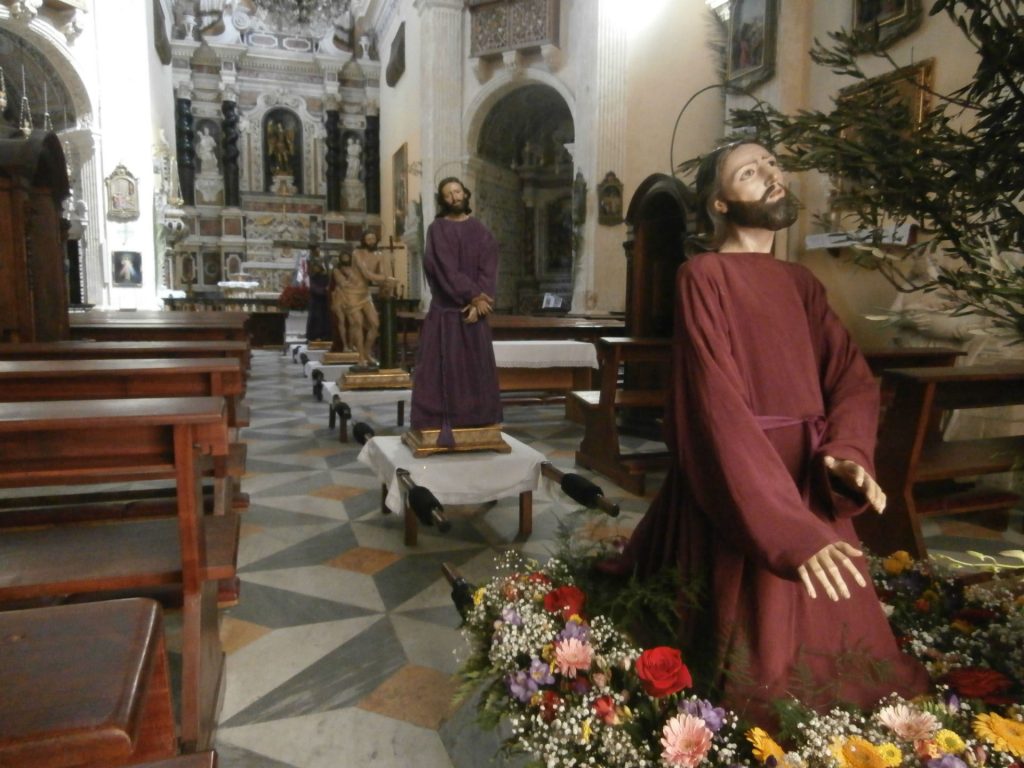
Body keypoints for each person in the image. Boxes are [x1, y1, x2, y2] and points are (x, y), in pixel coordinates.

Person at [604, 141, 929, 724]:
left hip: (809, 473)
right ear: (720, 204)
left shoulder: (801, 283)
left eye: (771, 166)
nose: (771, 176)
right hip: (742, 479)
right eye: (748, 173)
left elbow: (852, 378)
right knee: (759, 665)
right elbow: (714, 407)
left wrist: (847, 451)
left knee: (845, 660)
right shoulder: (703, 275)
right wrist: (785, 527)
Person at [410, 177, 502, 447]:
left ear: (466, 194)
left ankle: (477, 423)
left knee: (476, 372)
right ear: (443, 200)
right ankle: (439, 427)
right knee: (442, 373)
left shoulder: (482, 232)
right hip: (447, 315)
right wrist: (473, 296)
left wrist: (481, 300)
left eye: (458, 191)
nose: (454, 196)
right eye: (448, 194)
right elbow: (444, 268)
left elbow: (489, 267)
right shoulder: (437, 229)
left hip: (475, 316)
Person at [332, 232, 395, 367]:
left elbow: (382, 273)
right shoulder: (357, 253)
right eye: (368, 239)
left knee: (375, 324)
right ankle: (360, 357)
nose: (371, 241)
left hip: (365, 293)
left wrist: (385, 281)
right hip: (352, 292)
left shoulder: (380, 255)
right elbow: (366, 274)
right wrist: (386, 279)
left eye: (373, 238)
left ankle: (367, 351)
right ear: (363, 241)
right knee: (357, 324)